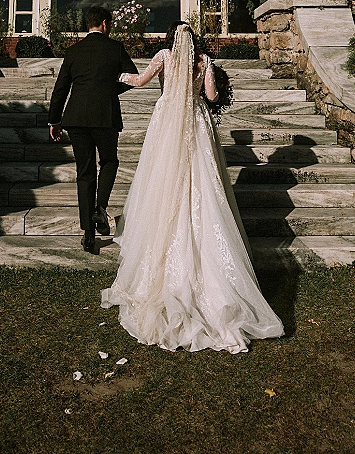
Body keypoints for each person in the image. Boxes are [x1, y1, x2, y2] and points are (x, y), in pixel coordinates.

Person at [101, 21, 284, 352]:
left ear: (171, 38)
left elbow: (140, 81)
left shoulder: (164, 57)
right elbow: (212, 97)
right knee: (202, 184)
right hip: (197, 124)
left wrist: (116, 75)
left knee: (163, 181)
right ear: (194, 40)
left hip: (168, 122)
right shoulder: (204, 61)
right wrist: (208, 73)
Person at [48, 5, 138, 254]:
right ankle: (100, 207)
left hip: (76, 117)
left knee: (84, 172)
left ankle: (88, 234)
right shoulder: (115, 48)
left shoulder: (73, 51)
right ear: (106, 23)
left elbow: (60, 89)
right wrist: (110, 90)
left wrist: (54, 121)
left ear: (88, 24)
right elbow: (132, 75)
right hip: (105, 116)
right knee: (109, 162)